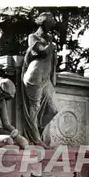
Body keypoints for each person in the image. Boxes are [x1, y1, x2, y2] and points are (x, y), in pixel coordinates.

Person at [19, 12, 59, 148]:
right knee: (34, 108)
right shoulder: (33, 37)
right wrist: (51, 47)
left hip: (45, 78)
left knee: (53, 110)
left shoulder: (50, 38)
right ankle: (36, 139)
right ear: (43, 23)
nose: (52, 25)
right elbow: (42, 51)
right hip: (34, 76)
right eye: (50, 22)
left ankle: (37, 132)